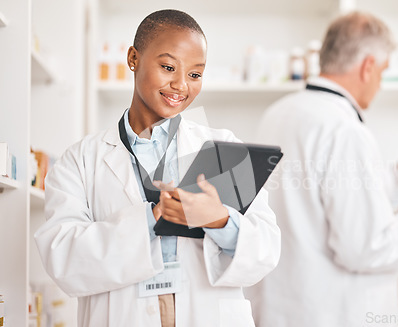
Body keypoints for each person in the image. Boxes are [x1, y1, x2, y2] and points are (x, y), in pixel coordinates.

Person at [35, 9, 280, 327]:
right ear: (133, 58)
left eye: (195, 74)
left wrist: (219, 220)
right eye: (168, 67)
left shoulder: (224, 148)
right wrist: (152, 219)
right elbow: (62, 258)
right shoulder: (79, 161)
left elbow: (266, 249)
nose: (181, 85)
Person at [245, 11, 398, 327]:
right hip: (327, 313)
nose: (379, 84)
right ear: (368, 66)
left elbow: (311, 187)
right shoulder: (344, 129)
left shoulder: (278, 113)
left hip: (278, 309)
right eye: (382, 72)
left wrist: (396, 174)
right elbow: (363, 248)